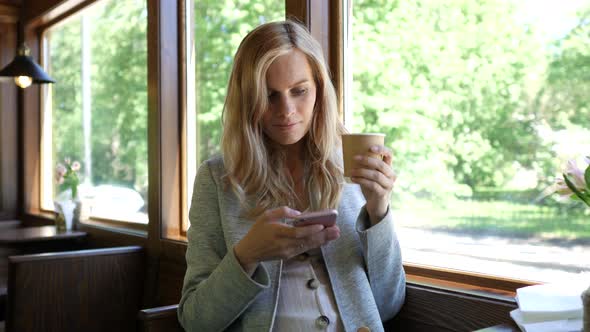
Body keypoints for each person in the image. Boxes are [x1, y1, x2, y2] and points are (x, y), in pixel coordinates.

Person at [178, 20, 405, 332]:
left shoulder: (351, 170)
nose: (286, 110)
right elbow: (196, 321)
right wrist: (247, 255)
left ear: (320, 90)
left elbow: (388, 304)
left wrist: (379, 210)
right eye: (269, 95)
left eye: (299, 91)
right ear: (247, 98)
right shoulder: (217, 180)